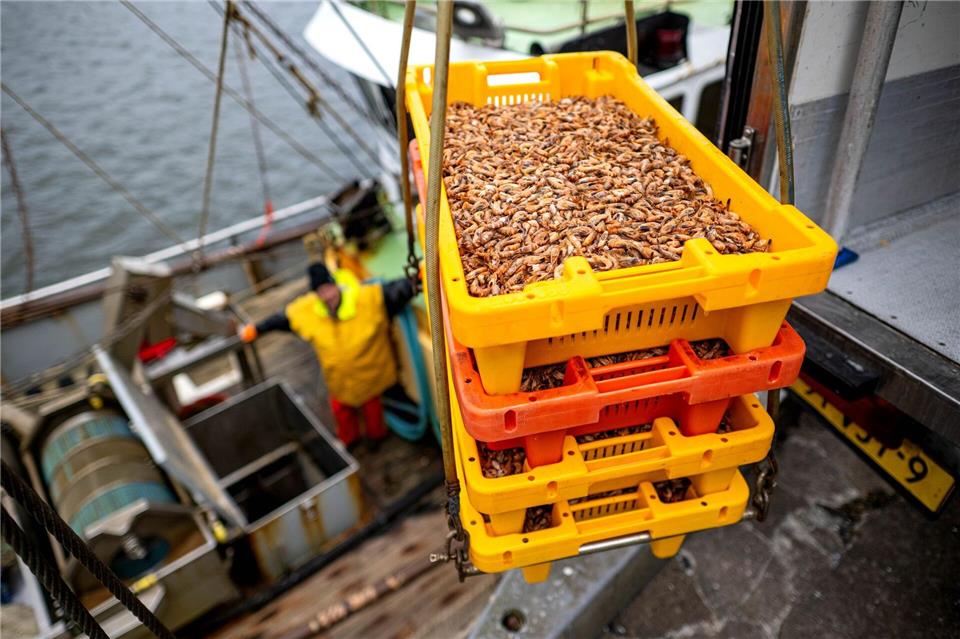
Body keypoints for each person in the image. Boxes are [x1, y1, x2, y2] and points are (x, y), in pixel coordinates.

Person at [240, 262, 415, 447]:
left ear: (336, 285)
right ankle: (350, 442)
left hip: (370, 380)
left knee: (374, 414)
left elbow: (395, 291)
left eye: (329, 289)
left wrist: (416, 280)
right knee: (342, 414)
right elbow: (281, 319)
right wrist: (256, 329)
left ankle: (377, 438)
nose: (327, 296)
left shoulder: (366, 298)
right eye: (320, 292)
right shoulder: (307, 311)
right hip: (338, 383)